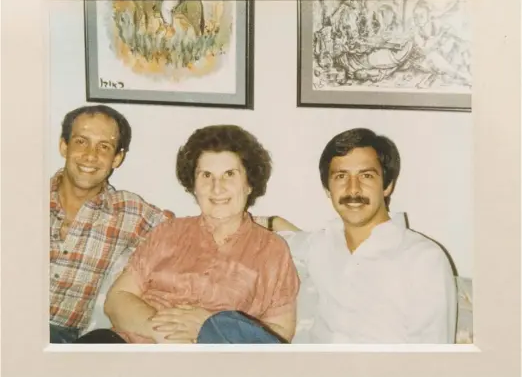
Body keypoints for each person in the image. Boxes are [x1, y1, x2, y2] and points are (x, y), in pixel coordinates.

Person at [75, 124, 300, 344]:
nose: (217, 187)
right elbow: (117, 298)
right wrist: (162, 333)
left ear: (249, 183)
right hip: (137, 344)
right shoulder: (168, 232)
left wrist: (211, 327)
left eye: (229, 174)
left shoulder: (272, 249)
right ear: (193, 185)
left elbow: (280, 333)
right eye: (206, 175)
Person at [269, 128, 458, 343]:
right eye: (341, 176)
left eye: (366, 176)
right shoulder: (321, 244)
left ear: (387, 186)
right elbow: (280, 238)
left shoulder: (424, 260)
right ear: (328, 190)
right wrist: (271, 221)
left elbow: (434, 358)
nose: (353, 189)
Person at [50, 105, 174, 343]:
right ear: (63, 146)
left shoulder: (129, 212)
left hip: (60, 339)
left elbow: (196, 229)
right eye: (81, 142)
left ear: (117, 158)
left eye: (104, 147)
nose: (90, 155)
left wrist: (267, 223)